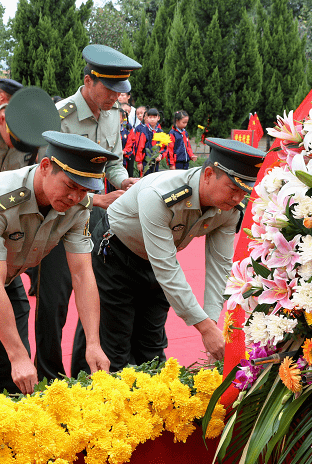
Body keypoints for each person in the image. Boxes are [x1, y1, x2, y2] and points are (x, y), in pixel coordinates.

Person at [0, 131, 114, 401]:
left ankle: (15, 436)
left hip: (5, 272)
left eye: (85, 190)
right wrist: (18, 357)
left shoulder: (77, 207)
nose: (76, 197)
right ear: (46, 167)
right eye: (70, 185)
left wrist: (94, 344)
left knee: (16, 371)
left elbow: (83, 275)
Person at [75, 138, 265, 373]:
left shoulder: (228, 210)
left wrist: (212, 322)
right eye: (233, 189)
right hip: (116, 256)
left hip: (154, 263)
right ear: (208, 174)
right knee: (115, 347)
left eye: (244, 192)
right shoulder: (161, 195)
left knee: (152, 349)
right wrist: (204, 329)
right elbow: (165, 267)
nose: (238, 198)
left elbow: (220, 266)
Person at [34, 44, 141, 382]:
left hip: (92, 220)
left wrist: (124, 183)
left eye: (120, 92)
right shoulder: (60, 115)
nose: (114, 98)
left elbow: (113, 162)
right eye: (109, 89)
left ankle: (84, 368)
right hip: (55, 218)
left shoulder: (113, 114)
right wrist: (94, 201)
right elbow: (45, 177)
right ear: (88, 81)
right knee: (53, 302)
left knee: (91, 294)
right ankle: (48, 375)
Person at [133, 107, 163, 176]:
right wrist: (139, 162)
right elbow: (140, 147)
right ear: (147, 118)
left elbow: (163, 146)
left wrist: (160, 155)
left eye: (154, 117)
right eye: (150, 117)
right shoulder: (144, 131)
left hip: (156, 161)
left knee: (155, 178)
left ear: (158, 118)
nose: (152, 119)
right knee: (145, 178)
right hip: (145, 161)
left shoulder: (160, 131)